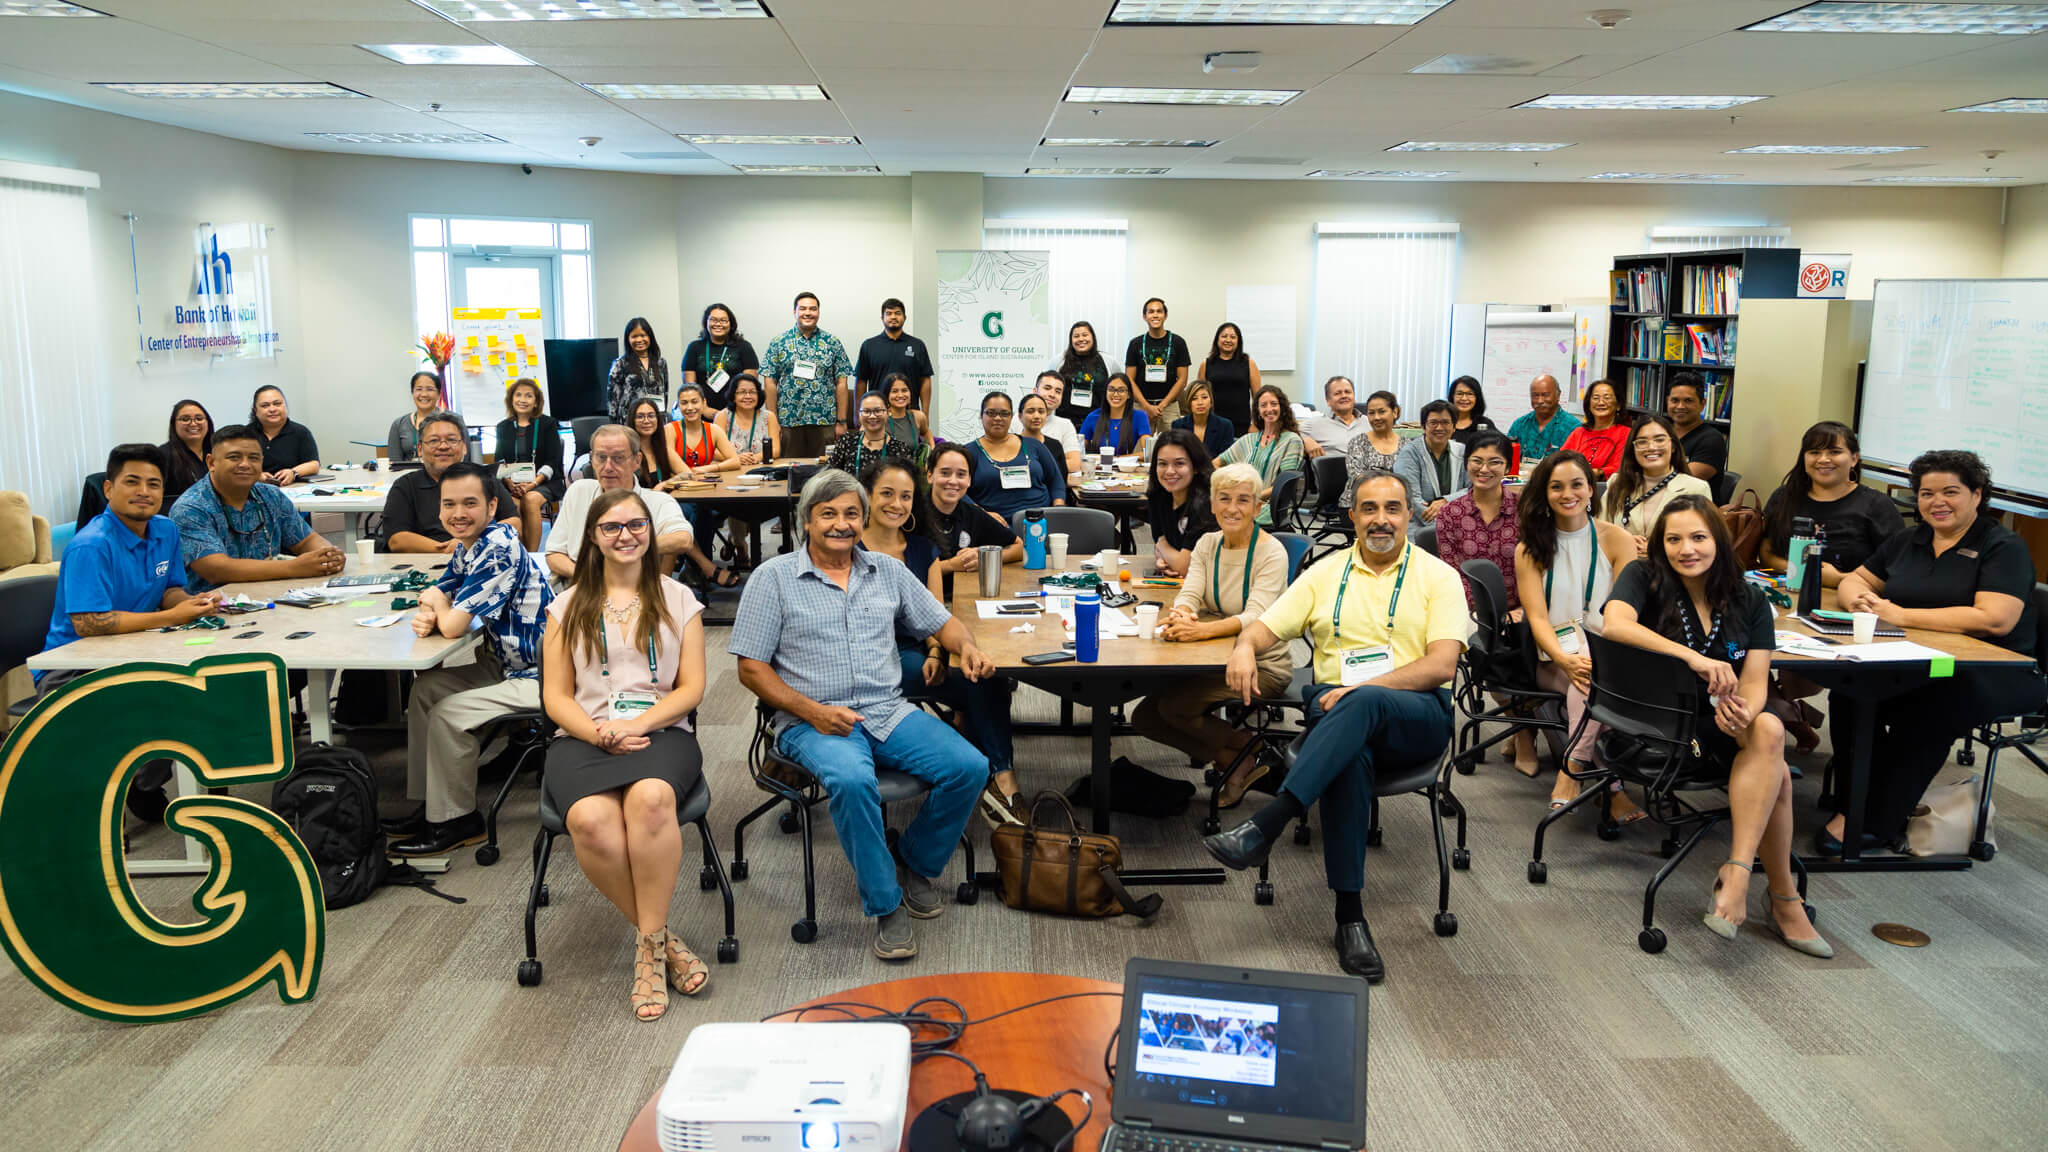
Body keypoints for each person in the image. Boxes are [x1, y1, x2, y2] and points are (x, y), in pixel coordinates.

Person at [1201, 469, 1469, 982]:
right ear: (1353, 517)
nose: (1381, 520)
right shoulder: (1326, 573)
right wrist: (1242, 647)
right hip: (1339, 713)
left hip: (1414, 711)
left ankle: (1270, 821)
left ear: (1409, 515)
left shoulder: (1439, 577)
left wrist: (1371, 690)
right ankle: (1351, 919)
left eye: (1392, 508)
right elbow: (1266, 625)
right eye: (1369, 509)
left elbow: (1441, 666)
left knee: (1362, 705)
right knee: (1351, 756)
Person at [730, 469, 995, 961]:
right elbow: (751, 669)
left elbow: (942, 621)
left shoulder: (887, 571)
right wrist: (813, 711)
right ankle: (885, 903)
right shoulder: (774, 579)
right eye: (828, 514)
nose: (841, 524)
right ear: (806, 521)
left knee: (970, 768)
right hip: (810, 718)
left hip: (886, 710)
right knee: (853, 782)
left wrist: (969, 648)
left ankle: (913, 860)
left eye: (851, 513)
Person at [1602, 495, 1831, 957]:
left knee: (1764, 727)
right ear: (1661, 545)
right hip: (1655, 726)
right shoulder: (1643, 578)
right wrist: (1694, 657)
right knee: (1779, 772)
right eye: (1674, 539)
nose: (1687, 548)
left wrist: (1743, 710)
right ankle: (1783, 899)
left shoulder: (1750, 598)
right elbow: (1613, 626)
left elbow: (1754, 682)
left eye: (1699, 537)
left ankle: (1739, 871)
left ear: (1719, 541)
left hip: (1721, 726)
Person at [540, 487, 712, 1020]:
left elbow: (692, 688)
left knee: (651, 800)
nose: (626, 536)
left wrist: (636, 723)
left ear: (650, 532)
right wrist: (600, 734)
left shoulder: (678, 598)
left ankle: (646, 952)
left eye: (636, 525)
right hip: (584, 738)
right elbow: (556, 697)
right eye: (612, 527)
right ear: (593, 537)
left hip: (662, 733)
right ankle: (661, 938)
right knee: (591, 821)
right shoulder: (566, 606)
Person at [1828, 450, 2041, 855]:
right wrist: (1858, 599)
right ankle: (1853, 802)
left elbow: (1995, 619)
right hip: (1922, 658)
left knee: (1929, 705)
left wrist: (1901, 614)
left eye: (1950, 492)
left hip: (1996, 670)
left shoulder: (2002, 546)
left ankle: (1877, 821)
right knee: (1849, 691)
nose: (1937, 502)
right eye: (1926, 493)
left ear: (1977, 495)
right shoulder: (1910, 539)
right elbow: (1855, 580)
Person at [36, 444, 221, 822]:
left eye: (154, 484)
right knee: (164, 708)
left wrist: (189, 604)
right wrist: (170, 617)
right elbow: (90, 623)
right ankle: (117, 791)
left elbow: (169, 589)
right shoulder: (92, 545)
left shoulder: (165, 529)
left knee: (205, 691)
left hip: (136, 649)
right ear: (108, 489)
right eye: (132, 482)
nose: (144, 492)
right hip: (74, 668)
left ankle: (144, 782)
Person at [387, 463, 556, 857]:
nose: (457, 513)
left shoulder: (498, 546)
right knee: (427, 689)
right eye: (448, 504)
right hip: (506, 661)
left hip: (542, 673)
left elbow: (452, 625)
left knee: (449, 713)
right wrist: (437, 604)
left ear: (492, 505)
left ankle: (458, 821)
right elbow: (438, 590)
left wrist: (440, 608)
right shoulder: (472, 545)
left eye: (469, 503)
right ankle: (431, 804)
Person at [857, 458, 1019, 825]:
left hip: (919, 650)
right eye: (886, 494)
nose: (896, 504)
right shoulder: (848, 548)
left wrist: (935, 650)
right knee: (980, 691)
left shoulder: (922, 549)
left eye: (905, 497)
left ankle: (999, 777)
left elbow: (932, 615)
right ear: (867, 495)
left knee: (984, 677)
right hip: (873, 658)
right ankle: (986, 771)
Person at [1134, 463, 1291, 806]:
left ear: (1257, 508)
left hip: (1259, 663)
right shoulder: (1208, 543)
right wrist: (1182, 614)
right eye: (1225, 499)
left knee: (1174, 707)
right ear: (1214, 505)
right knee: (1143, 718)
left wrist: (1201, 629)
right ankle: (1241, 753)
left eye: (1243, 500)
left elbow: (1256, 616)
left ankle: (1239, 756)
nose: (1233, 508)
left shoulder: (1271, 552)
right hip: (1210, 653)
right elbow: (1191, 592)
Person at [1514, 450, 1641, 818]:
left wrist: (1597, 659)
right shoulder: (1530, 548)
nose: (1567, 494)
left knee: (1591, 679)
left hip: (1611, 652)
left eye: (1576, 484)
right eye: (1556, 487)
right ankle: (1609, 787)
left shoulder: (1617, 540)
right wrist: (1564, 659)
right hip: (1551, 655)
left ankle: (1574, 768)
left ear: (1591, 489)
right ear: (1545, 493)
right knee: (1587, 682)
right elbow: (1536, 618)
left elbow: (1624, 613)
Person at [1432, 431, 1535, 775]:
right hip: (1470, 608)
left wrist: (1524, 606)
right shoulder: (1450, 514)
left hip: (1522, 604)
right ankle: (1522, 730)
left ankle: (1525, 720)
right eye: (1477, 460)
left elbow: (1537, 565)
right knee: (1487, 645)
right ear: (1467, 464)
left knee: (1535, 640)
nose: (1484, 468)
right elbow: (1451, 572)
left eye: (1494, 462)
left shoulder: (1525, 511)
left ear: (1507, 466)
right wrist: (1483, 611)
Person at [170, 423, 344, 592]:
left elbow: (306, 540)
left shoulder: (271, 495)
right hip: (213, 608)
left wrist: (327, 556)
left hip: (270, 596)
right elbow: (216, 569)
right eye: (234, 457)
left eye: (253, 458)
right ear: (211, 462)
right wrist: (295, 567)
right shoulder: (191, 508)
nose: (245, 464)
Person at [1759, 421, 1904, 585]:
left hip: (1851, 598)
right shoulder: (1784, 497)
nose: (1823, 459)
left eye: (1834, 452)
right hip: (1786, 592)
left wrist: (1838, 580)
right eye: (1814, 452)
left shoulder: (1878, 505)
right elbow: (1766, 553)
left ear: (1854, 458)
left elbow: (1897, 571)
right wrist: (1806, 571)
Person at [544, 423, 695, 581]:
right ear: (591, 459)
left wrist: (626, 546)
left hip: (633, 590)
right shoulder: (579, 491)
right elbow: (553, 553)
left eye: (618, 458)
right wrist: (589, 578)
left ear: (637, 461)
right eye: (601, 457)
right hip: (581, 583)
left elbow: (683, 539)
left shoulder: (658, 501)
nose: (608, 467)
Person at [378, 413, 520, 554]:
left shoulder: (484, 479)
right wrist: (447, 549)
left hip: (483, 557)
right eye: (434, 441)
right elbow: (396, 539)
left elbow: (514, 523)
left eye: (451, 440)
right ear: (420, 449)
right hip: (426, 561)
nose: (443, 446)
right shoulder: (405, 486)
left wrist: (476, 542)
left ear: (464, 446)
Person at [660, 383, 744, 590]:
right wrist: (702, 472)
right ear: (678, 406)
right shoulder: (670, 430)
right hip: (678, 495)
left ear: (704, 403)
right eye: (684, 403)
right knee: (695, 512)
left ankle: (696, 568)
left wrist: (707, 468)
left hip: (707, 491)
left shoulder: (713, 429)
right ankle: (699, 567)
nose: (690, 407)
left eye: (695, 402)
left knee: (707, 511)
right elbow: (683, 472)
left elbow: (735, 461)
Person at [1600, 413, 1711, 555]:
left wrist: (1656, 549)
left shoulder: (1696, 488)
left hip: (1672, 572)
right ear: (1633, 449)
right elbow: (1600, 532)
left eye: (1659, 440)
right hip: (1623, 570)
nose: (1651, 447)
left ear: (1673, 446)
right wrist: (1622, 541)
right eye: (1642, 442)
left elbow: (1702, 542)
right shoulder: (1618, 483)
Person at [761, 291, 854, 460]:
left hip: (824, 421)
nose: (808, 313)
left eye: (813, 309)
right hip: (788, 420)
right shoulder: (779, 342)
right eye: (802, 308)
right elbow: (769, 382)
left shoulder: (832, 342)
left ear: (818, 312)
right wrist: (772, 421)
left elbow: (841, 382)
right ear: (794, 311)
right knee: (787, 470)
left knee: (824, 472)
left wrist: (841, 421)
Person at [965, 391, 1066, 518]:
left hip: (1040, 520)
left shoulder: (1034, 446)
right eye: (991, 413)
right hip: (993, 526)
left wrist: (1058, 510)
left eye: (1004, 413)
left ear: (1011, 416)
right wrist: (982, 515)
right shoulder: (969, 452)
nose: (997, 418)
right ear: (981, 415)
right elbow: (960, 492)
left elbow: (1056, 481)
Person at [493, 377, 566, 550]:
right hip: (511, 482)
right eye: (518, 395)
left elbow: (552, 460)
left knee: (530, 500)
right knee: (513, 504)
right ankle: (520, 552)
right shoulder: (503, 427)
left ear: (536, 402)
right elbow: (499, 460)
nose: (522, 400)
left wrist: (532, 484)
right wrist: (510, 483)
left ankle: (532, 554)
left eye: (528, 396)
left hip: (544, 481)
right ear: (511, 400)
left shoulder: (547, 424)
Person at [927, 443, 1024, 573]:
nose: (953, 481)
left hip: (967, 590)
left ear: (969, 480)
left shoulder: (973, 514)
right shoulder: (913, 513)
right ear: (930, 476)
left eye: (961, 475)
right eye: (945, 473)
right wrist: (950, 565)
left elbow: (1019, 547)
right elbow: (901, 568)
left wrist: (984, 555)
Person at [1218, 384, 1306, 525]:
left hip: (1271, 506)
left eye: (1274, 404)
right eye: (1263, 405)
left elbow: (1283, 484)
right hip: (1242, 500)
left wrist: (1252, 497)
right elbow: (1217, 463)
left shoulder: (1291, 440)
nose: (1269, 409)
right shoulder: (1249, 439)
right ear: (1258, 411)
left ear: (1282, 408)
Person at [1146, 429, 1217, 578]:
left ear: (1196, 467)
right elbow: (1159, 544)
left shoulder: (1207, 504)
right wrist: (1161, 559)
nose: (1170, 471)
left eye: (1179, 463)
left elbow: (1183, 568)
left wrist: (1162, 546)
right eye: (1162, 464)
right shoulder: (1158, 496)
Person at [1392, 400, 1465, 535]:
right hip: (1419, 524)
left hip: (1459, 522)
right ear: (1423, 427)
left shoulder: (1462, 452)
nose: (1439, 428)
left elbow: (1472, 491)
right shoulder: (1410, 453)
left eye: (1445, 422)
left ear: (1454, 427)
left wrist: (1445, 501)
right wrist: (1445, 525)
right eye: (1433, 423)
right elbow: (1412, 499)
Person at [855, 298, 935, 411]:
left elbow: (925, 380)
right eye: (888, 313)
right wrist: (858, 412)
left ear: (905, 317)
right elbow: (861, 381)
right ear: (882, 318)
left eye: (898, 313)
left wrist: (925, 413)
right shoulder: (869, 345)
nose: (893, 317)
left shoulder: (918, 345)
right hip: (878, 412)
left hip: (910, 411)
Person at [1124, 297, 1193, 425]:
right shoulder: (1135, 344)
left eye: (1159, 311)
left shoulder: (1178, 342)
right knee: (1139, 445)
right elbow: (1129, 380)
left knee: (1172, 444)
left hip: (1169, 407)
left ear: (1165, 315)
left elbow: (1182, 380)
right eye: (1151, 312)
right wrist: (1146, 406)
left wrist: (1162, 405)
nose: (1155, 315)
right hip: (1140, 407)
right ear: (1144, 316)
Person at [680, 302, 758, 413]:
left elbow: (749, 385)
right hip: (701, 411)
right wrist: (704, 409)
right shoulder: (694, 347)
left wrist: (731, 410)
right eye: (714, 320)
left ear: (731, 323)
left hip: (737, 411)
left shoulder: (744, 347)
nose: (718, 324)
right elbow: (689, 387)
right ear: (706, 322)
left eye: (723, 320)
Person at [825, 389, 918, 478]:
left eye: (878, 411)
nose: (872, 416)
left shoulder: (899, 449)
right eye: (866, 411)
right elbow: (829, 476)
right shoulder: (847, 442)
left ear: (888, 412)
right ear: (859, 414)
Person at [1342, 390, 1404, 506]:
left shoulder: (1406, 445)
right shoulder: (1358, 442)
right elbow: (1358, 477)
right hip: (1359, 505)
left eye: (1382, 412)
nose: (1376, 418)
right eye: (1371, 413)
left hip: (1396, 505)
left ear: (1395, 412)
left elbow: (1410, 479)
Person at [249, 385, 319, 486]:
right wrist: (255, 475)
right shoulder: (245, 435)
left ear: (285, 406)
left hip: (291, 488)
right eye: (265, 405)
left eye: (277, 404)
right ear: (256, 411)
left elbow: (314, 465)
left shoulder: (300, 432)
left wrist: (293, 472)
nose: (272, 409)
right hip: (254, 490)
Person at [1014, 371, 1082, 474]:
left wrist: (1034, 471)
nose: (1052, 395)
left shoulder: (1065, 425)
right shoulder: (1014, 420)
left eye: (1058, 391)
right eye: (1047, 388)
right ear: (1034, 391)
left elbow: (1075, 464)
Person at [1665, 371, 1727, 484]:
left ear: (1702, 404)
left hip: (1691, 501)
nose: (1680, 406)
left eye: (1688, 401)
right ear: (1667, 401)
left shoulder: (1712, 440)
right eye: (1675, 400)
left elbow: (1682, 482)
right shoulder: (1662, 433)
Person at [1508, 375, 1581, 468]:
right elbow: (1505, 458)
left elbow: (1576, 466)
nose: (1540, 400)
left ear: (1558, 395)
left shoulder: (1573, 428)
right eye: (1535, 395)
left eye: (1545, 395)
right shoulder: (1520, 425)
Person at [1559, 379, 1628, 478]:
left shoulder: (1625, 433)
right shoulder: (1579, 432)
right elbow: (1560, 460)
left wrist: (1593, 473)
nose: (1601, 402)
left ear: (1618, 405)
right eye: (1596, 398)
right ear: (1589, 405)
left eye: (1607, 398)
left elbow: (1619, 468)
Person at [1199, 321, 1259, 431]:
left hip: (1242, 424)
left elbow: (1258, 398)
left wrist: (1255, 423)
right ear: (1217, 340)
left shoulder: (1249, 363)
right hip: (1213, 424)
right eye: (1224, 336)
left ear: (1238, 341)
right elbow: (1199, 396)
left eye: (1233, 337)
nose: (1228, 340)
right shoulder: (1206, 364)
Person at [608, 317, 669, 421]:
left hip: (655, 420)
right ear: (628, 339)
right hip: (629, 421)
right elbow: (612, 400)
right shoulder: (620, 364)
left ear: (650, 337)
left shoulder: (660, 363)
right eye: (634, 336)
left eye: (643, 335)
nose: (639, 340)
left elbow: (665, 393)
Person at [1080, 373, 1152, 458]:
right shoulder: (1092, 417)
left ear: (1129, 394)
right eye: (1111, 389)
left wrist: (1117, 459)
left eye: (1121, 390)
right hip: (1098, 467)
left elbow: (1148, 453)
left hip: (1126, 468)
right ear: (1105, 392)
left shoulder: (1140, 416)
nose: (1116, 394)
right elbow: (1078, 451)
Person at [716, 371, 779, 467]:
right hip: (731, 469)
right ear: (733, 396)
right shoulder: (723, 416)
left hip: (761, 468)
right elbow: (715, 452)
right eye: (742, 392)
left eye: (752, 392)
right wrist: (736, 458)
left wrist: (757, 457)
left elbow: (775, 450)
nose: (748, 396)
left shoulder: (769, 417)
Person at [1057, 320, 1112, 425]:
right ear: (1071, 340)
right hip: (1065, 421)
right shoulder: (1059, 361)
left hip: (1098, 421)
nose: (1081, 339)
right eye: (1076, 336)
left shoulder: (1108, 361)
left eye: (1085, 335)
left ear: (1092, 337)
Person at [160, 399, 213, 502]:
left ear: (208, 422)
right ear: (174, 424)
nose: (193, 424)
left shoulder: (217, 451)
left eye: (199, 418)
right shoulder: (163, 455)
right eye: (185, 419)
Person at [388, 371, 446, 464]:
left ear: (439, 394)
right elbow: (394, 463)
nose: (424, 394)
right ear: (413, 393)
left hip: (445, 476)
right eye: (419, 389)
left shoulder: (454, 421)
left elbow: (464, 460)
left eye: (429, 389)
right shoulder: (399, 424)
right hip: (409, 476)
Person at [1171, 379, 1237, 462]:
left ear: (1211, 401)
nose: (1200, 402)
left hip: (1215, 472)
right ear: (1188, 402)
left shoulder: (1225, 426)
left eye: (1204, 397)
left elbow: (1225, 459)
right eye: (1194, 398)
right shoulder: (1178, 425)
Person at [1300, 376, 1366, 458]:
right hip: (1336, 469)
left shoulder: (1371, 422)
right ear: (1328, 401)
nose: (1344, 396)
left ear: (1354, 397)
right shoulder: (1314, 425)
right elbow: (1288, 433)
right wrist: (1305, 440)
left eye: (1348, 392)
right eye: (1337, 393)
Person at [1015, 394, 1073, 485]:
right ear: (1020, 416)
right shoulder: (1012, 445)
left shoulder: (1055, 445)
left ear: (1046, 416)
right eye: (1031, 411)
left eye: (1041, 411)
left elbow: (1061, 481)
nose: (1037, 416)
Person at [627, 397, 683, 489]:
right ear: (632, 420)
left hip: (664, 500)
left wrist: (664, 484)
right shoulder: (626, 452)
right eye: (640, 417)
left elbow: (687, 474)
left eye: (651, 416)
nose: (646, 421)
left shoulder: (664, 449)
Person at [1448, 376, 1502, 451]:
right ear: (1452, 396)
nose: (1464, 398)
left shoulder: (1485, 424)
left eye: (1470, 394)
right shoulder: (1444, 423)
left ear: (1477, 398)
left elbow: (1502, 447)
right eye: (1459, 393)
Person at [883, 372, 931, 450]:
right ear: (887, 394)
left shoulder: (918, 416)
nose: (900, 395)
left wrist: (931, 451)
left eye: (904, 390)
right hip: (886, 462)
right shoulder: (879, 418)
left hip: (912, 462)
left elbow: (926, 432)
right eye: (894, 391)